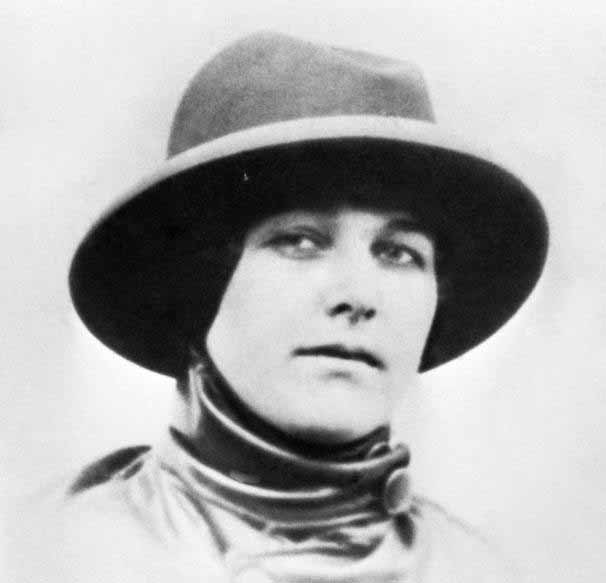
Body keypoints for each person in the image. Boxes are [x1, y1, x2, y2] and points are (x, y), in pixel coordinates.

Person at [19, 32, 548, 582]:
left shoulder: (480, 570)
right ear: (196, 286)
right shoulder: (55, 553)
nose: (358, 296)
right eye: (300, 241)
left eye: (398, 253)